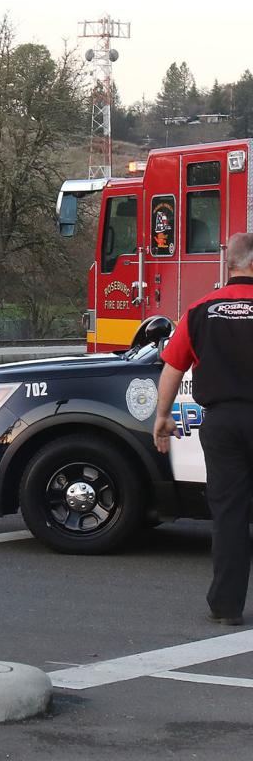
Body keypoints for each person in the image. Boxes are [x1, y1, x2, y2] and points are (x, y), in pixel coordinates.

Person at [154, 232, 253, 625]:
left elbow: (172, 368)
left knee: (229, 514)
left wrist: (162, 417)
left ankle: (227, 606)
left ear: (229, 265)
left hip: (223, 423)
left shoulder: (199, 309)